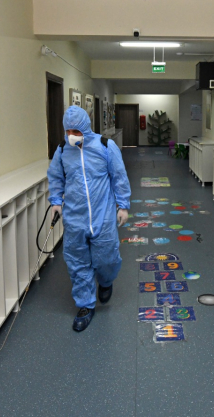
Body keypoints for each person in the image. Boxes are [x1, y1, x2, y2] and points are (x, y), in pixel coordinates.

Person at [47, 106, 130, 332]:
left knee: (107, 257)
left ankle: (106, 281)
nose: (71, 135)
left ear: (85, 128)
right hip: (75, 217)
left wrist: (123, 205)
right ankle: (85, 305)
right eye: (68, 131)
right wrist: (56, 201)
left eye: (76, 131)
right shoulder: (63, 150)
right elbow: (56, 177)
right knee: (77, 262)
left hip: (103, 215)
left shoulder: (105, 146)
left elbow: (119, 176)